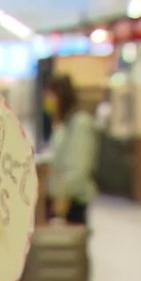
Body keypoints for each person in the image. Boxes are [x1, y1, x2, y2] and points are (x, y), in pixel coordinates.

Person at [44, 74, 97, 224]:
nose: (48, 102)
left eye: (51, 97)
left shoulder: (80, 123)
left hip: (70, 203)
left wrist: (64, 196)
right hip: (56, 199)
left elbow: (79, 167)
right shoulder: (62, 125)